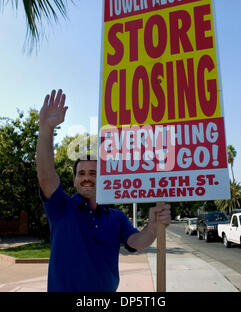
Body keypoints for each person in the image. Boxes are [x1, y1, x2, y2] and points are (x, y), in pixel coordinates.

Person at [36, 89, 171, 292]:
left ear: (104, 178)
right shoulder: (61, 208)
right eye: (81, 174)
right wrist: (46, 128)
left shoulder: (116, 217)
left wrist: (153, 226)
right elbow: (46, 177)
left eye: (93, 173)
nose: (87, 178)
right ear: (74, 181)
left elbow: (137, 242)